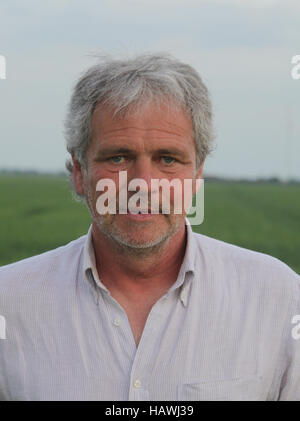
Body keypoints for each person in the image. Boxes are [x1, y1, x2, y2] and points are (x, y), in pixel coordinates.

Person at [0, 53, 299, 401]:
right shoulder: (9, 303)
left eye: (167, 159)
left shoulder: (280, 299)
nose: (143, 183)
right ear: (80, 173)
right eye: (118, 157)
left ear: (197, 174)